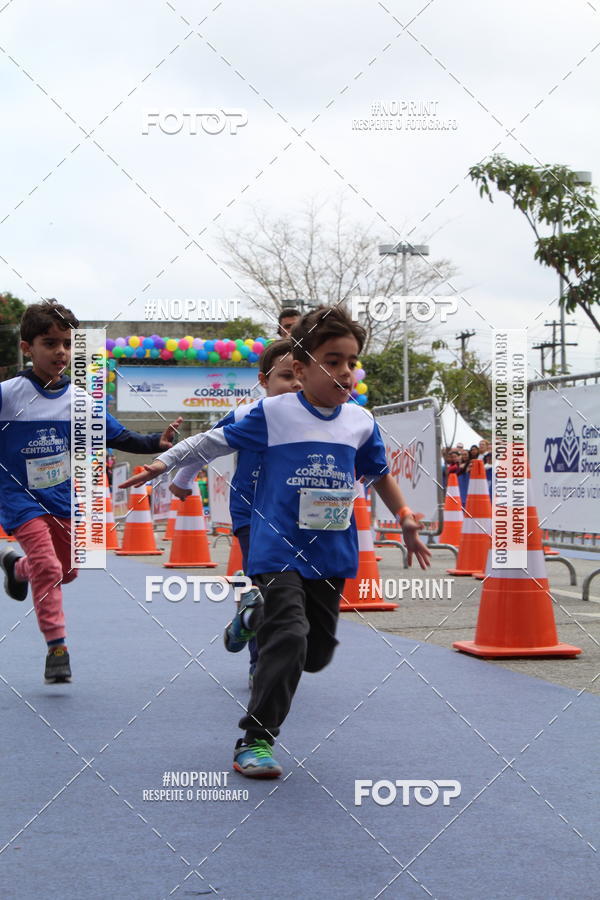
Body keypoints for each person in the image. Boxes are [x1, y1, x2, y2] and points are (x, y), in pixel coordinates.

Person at [121, 305, 431, 779]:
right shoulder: (272, 413)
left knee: (317, 652)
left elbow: (379, 474)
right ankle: (256, 740)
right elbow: (211, 441)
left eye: (350, 361)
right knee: (288, 637)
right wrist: (164, 467)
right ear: (302, 369)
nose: (344, 371)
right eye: (332, 360)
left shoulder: (360, 422)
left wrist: (405, 515)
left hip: (331, 550)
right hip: (276, 543)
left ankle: (256, 613)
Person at [0, 299, 183, 683]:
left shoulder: (81, 401)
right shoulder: (8, 395)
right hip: (18, 498)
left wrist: (157, 442)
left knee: (66, 571)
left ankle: (17, 568)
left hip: (63, 499)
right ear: (27, 348)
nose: (60, 352)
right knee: (49, 568)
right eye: (50, 343)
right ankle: (57, 648)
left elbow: (120, 436)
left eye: (67, 343)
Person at [169, 338, 301, 687]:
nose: (296, 384)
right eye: (286, 376)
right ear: (263, 381)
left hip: (295, 516)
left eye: (302, 375)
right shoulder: (247, 413)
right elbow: (207, 445)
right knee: (267, 587)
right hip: (251, 512)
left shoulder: (313, 416)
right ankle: (260, 663)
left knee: (288, 590)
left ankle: (246, 617)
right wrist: (182, 479)